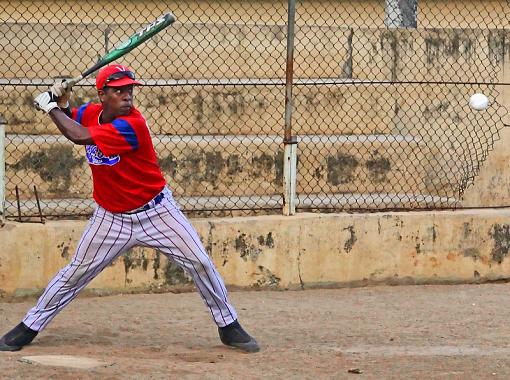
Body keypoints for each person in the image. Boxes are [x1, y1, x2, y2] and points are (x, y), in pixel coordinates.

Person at [0, 64, 259, 353]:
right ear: (102, 95)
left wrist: (50, 108)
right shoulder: (89, 113)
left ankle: (229, 325)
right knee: (74, 274)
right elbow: (74, 119)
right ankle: (29, 326)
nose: (127, 94)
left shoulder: (132, 125)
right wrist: (62, 101)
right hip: (110, 217)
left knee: (199, 262)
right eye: (118, 89)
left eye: (129, 88)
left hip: (157, 212)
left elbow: (78, 136)